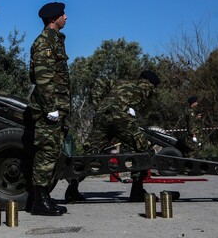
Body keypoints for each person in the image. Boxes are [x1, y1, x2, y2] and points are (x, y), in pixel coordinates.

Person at [65, 70, 161, 203]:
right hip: (120, 118)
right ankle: (137, 192)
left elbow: (99, 85)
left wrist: (99, 107)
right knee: (143, 151)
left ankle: (72, 191)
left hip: (101, 117)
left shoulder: (121, 82)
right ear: (149, 82)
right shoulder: (145, 86)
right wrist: (128, 110)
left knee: (90, 154)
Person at [27, 1, 71, 216]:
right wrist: (51, 108)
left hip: (57, 109)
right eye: (63, 14)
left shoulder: (56, 41)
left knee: (52, 153)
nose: (66, 17)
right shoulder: (45, 43)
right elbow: (43, 78)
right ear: (53, 19)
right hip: (49, 110)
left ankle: (44, 198)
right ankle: (38, 202)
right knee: (46, 153)